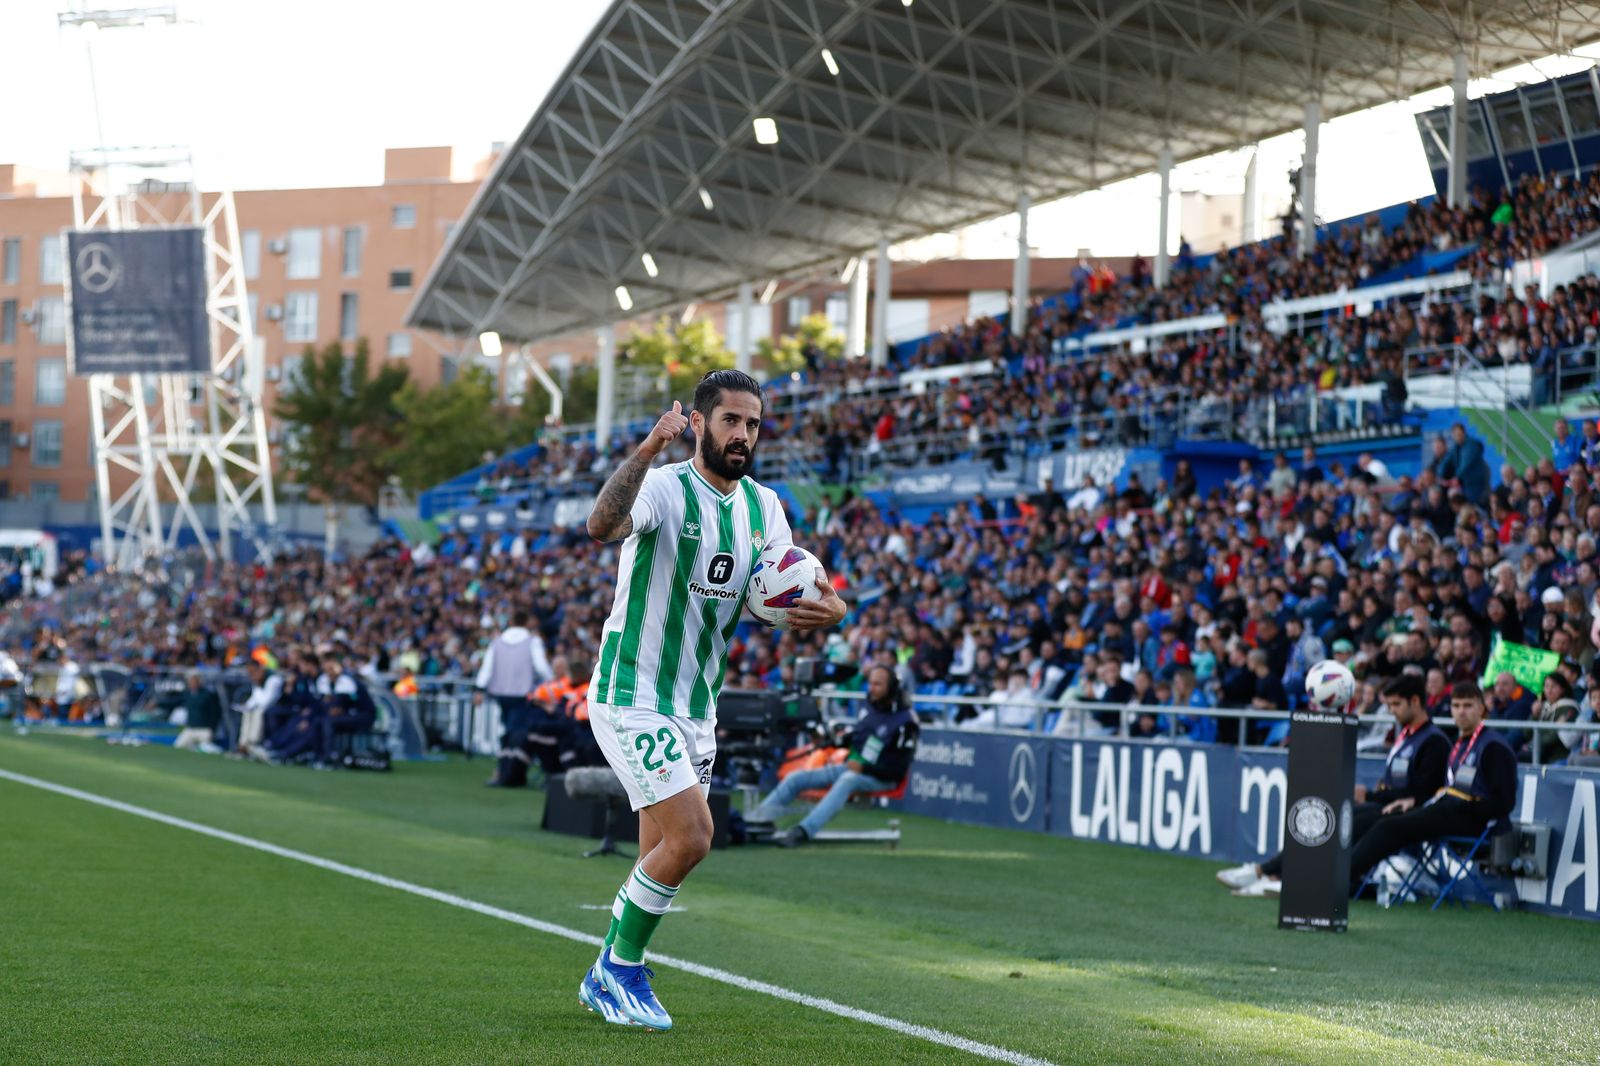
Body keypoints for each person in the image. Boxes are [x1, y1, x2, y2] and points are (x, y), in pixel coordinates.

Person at [577, 371, 847, 1030]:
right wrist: (645, 451)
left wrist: (829, 608)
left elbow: (790, 587)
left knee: (659, 850)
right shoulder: (665, 488)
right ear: (698, 423)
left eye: (752, 424)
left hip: (697, 710)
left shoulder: (766, 508)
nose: (743, 435)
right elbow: (600, 524)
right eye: (730, 421)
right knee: (694, 837)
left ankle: (607, 971)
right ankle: (620, 971)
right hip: (631, 693)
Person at [1217, 674, 1448, 897]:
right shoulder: (1407, 736)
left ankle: (1276, 874)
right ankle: (1276, 873)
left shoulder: (1433, 741)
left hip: (1405, 814)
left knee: (1338, 820)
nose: (1391, 711)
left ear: (1415, 701)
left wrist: (1370, 796)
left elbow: (1421, 793)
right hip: (1385, 806)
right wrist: (1372, 795)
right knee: (1328, 815)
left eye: (1396, 704)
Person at [1346, 681, 1517, 884]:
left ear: (1481, 708)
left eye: (1468, 706)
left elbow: (1504, 803)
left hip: (1473, 821)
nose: (1461, 712)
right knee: (1386, 818)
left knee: (1388, 827)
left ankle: (1341, 881)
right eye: (1456, 706)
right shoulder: (1461, 743)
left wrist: (1464, 806)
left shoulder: (1493, 746)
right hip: (1447, 809)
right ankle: (1350, 877)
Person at [746, 665, 919, 847]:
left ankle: (803, 831)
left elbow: (898, 771)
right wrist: (834, 740)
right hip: (852, 766)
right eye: (870, 683)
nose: (871, 688)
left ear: (892, 687)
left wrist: (864, 768)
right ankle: (756, 822)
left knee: (847, 780)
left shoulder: (906, 722)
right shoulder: (871, 705)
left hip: (881, 777)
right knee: (796, 777)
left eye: (878, 684)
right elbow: (858, 737)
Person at [475, 610, 554, 787]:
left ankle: (505, 771)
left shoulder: (497, 643)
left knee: (507, 732)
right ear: (527, 623)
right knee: (517, 734)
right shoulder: (532, 642)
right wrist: (550, 682)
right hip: (522, 694)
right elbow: (541, 667)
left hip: (501, 694)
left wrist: (479, 689)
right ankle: (509, 774)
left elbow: (486, 669)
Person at [232, 659, 283, 762]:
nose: (251, 675)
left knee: (258, 712)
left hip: (276, 707)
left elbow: (267, 701)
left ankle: (253, 742)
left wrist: (257, 686)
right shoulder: (257, 680)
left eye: (252, 671)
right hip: (262, 706)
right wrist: (247, 706)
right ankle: (243, 744)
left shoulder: (273, 679)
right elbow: (254, 698)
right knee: (247, 711)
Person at [174, 671, 223, 753]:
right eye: (191, 681)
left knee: (206, 750)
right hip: (190, 729)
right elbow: (174, 702)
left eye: (194, 681)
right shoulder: (187, 694)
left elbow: (215, 713)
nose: (192, 683)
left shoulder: (207, 695)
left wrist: (212, 729)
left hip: (204, 730)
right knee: (178, 746)